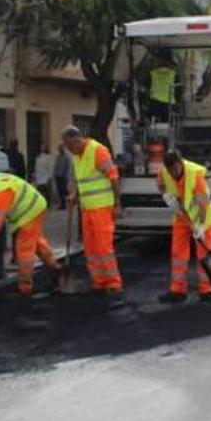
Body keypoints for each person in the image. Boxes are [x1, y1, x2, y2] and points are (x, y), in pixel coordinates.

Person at [61, 126, 125, 308]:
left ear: (76, 140)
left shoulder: (97, 151)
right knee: (91, 250)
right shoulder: (76, 156)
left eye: (68, 146)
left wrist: (117, 204)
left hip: (102, 209)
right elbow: (84, 182)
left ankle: (115, 286)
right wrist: (76, 196)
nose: (68, 150)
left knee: (104, 249)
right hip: (87, 210)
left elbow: (113, 178)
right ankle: (99, 283)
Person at [0, 172, 60, 297]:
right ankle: (56, 270)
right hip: (36, 205)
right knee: (37, 243)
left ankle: (25, 288)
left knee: (23, 250)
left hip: (29, 212)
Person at [157, 149, 211, 304]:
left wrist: (201, 227)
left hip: (201, 217)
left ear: (180, 163)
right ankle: (177, 291)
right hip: (182, 217)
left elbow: (203, 204)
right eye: (170, 171)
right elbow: (160, 184)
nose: (173, 173)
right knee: (178, 254)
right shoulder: (164, 172)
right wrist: (165, 196)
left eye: (176, 169)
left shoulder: (194, 175)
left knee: (203, 255)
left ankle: (207, 291)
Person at [148, 55, 177, 123]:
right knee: (167, 121)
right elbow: (178, 87)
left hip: (155, 104)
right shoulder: (173, 73)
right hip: (169, 103)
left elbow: (147, 85)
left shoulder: (153, 73)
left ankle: (155, 122)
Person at [54, 145, 71, 209]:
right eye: (59, 149)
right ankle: (62, 204)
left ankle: (65, 204)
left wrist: (67, 176)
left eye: (61, 149)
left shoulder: (66, 157)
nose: (60, 150)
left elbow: (68, 167)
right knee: (60, 191)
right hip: (58, 176)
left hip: (63, 176)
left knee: (63, 190)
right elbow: (56, 166)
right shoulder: (58, 157)